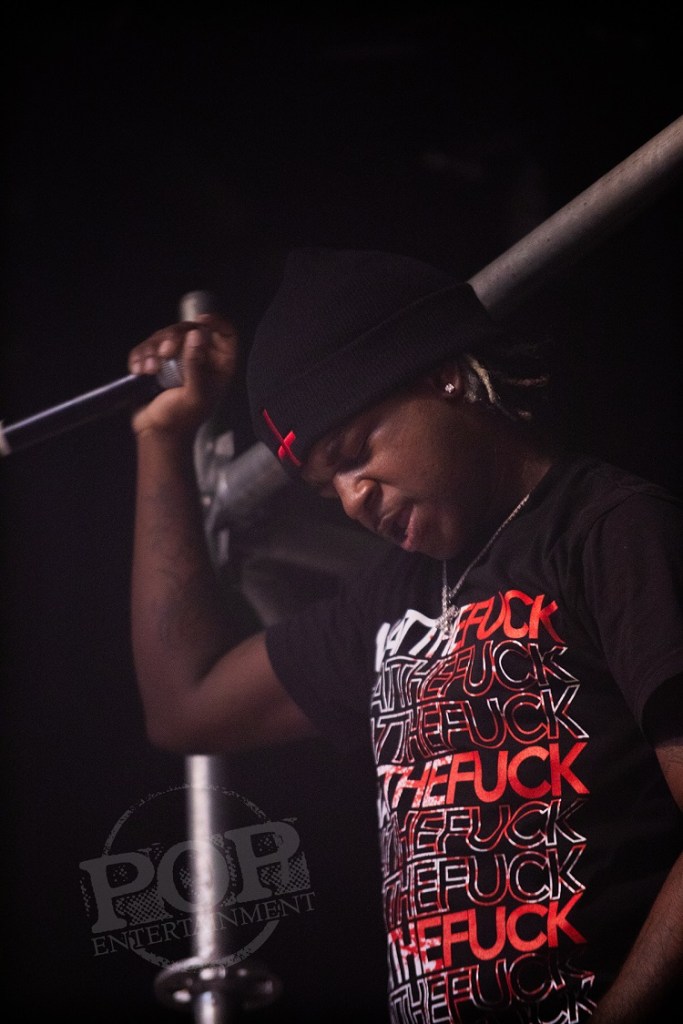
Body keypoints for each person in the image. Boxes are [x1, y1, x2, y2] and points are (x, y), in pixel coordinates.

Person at [127, 248, 683, 1023]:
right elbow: (185, 705)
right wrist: (161, 438)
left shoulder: (608, 532)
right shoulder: (396, 598)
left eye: (355, 453)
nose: (353, 497)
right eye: (327, 488)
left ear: (443, 377)